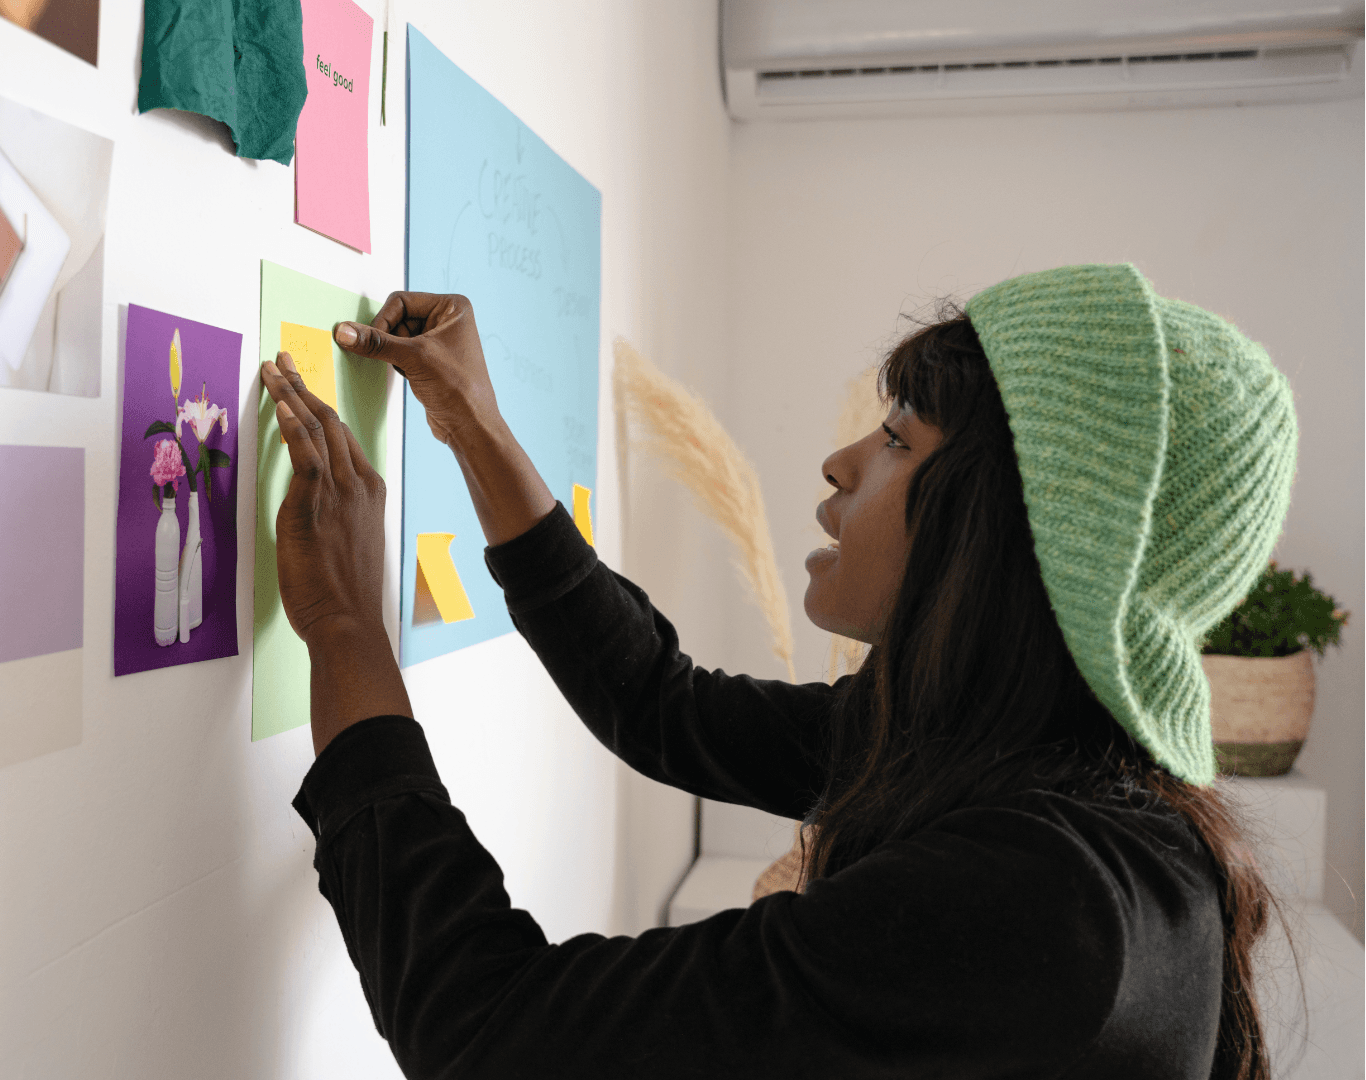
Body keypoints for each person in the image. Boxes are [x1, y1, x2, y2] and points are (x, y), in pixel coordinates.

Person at [259, 263, 1297, 1079]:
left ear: (1004, 534)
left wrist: (347, 626)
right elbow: (659, 705)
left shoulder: (1040, 904)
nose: (841, 460)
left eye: (895, 437)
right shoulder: (1018, 760)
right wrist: (472, 424)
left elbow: (491, 1031)